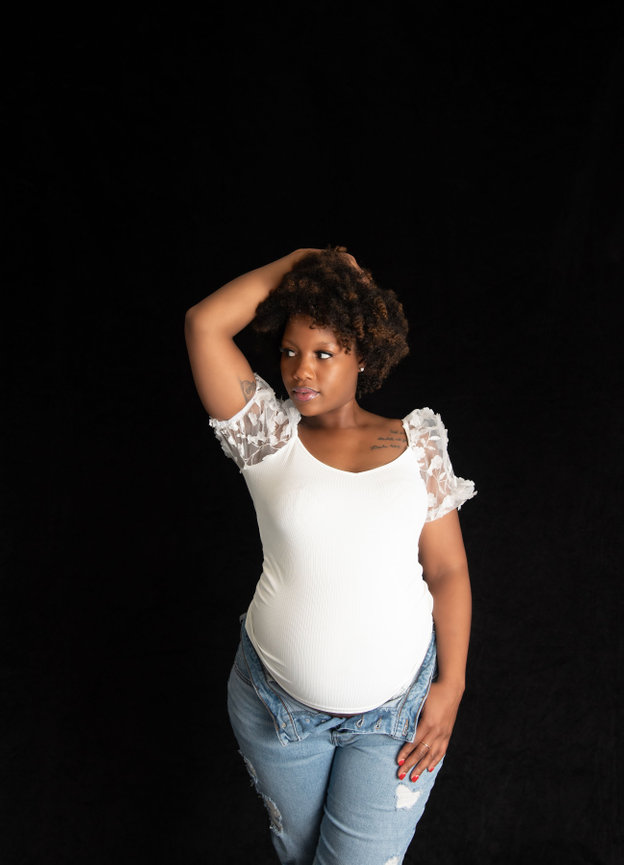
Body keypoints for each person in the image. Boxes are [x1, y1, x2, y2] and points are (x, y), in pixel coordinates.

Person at [184, 246, 476, 865]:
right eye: (290, 351)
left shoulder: (417, 443)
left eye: (323, 353)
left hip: (396, 712)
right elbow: (204, 324)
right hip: (275, 707)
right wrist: (304, 260)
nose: (300, 370)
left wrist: (451, 686)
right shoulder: (267, 437)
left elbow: (448, 570)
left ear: (362, 355)